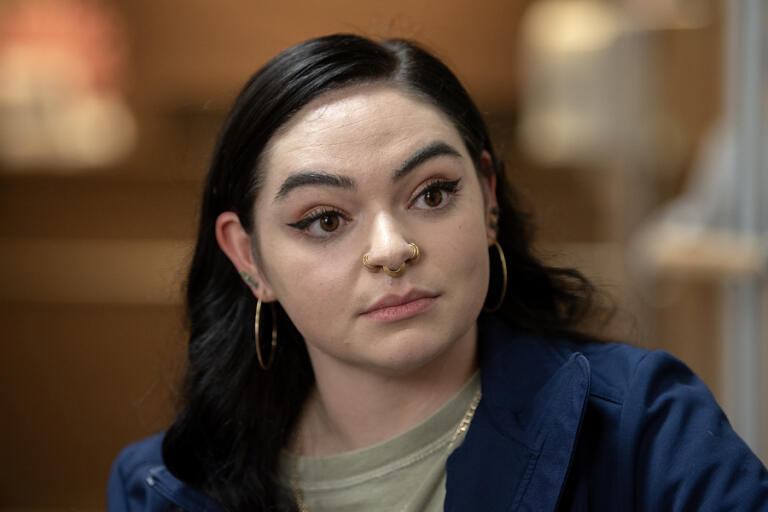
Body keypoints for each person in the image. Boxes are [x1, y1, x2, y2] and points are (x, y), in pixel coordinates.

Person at [107, 34, 768, 512]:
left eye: (432, 194)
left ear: (487, 199)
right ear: (249, 257)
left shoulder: (644, 427)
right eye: (325, 221)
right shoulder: (161, 486)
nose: (391, 249)